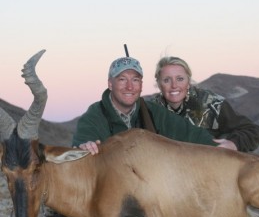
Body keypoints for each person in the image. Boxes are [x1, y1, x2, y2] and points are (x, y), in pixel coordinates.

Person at [72, 56, 232, 154]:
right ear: (110, 84)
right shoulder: (94, 115)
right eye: (122, 79)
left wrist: (220, 149)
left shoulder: (153, 112)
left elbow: (190, 134)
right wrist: (85, 147)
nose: (129, 87)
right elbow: (82, 144)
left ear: (141, 85)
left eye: (135, 80)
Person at [152, 56, 259, 152]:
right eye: (166, 80)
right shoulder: (150, 110)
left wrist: (233, 144)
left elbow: (253, 130)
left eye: (180, 79)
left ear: (188, 81)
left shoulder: (211, 104)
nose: (174, 85)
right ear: (159, 84)